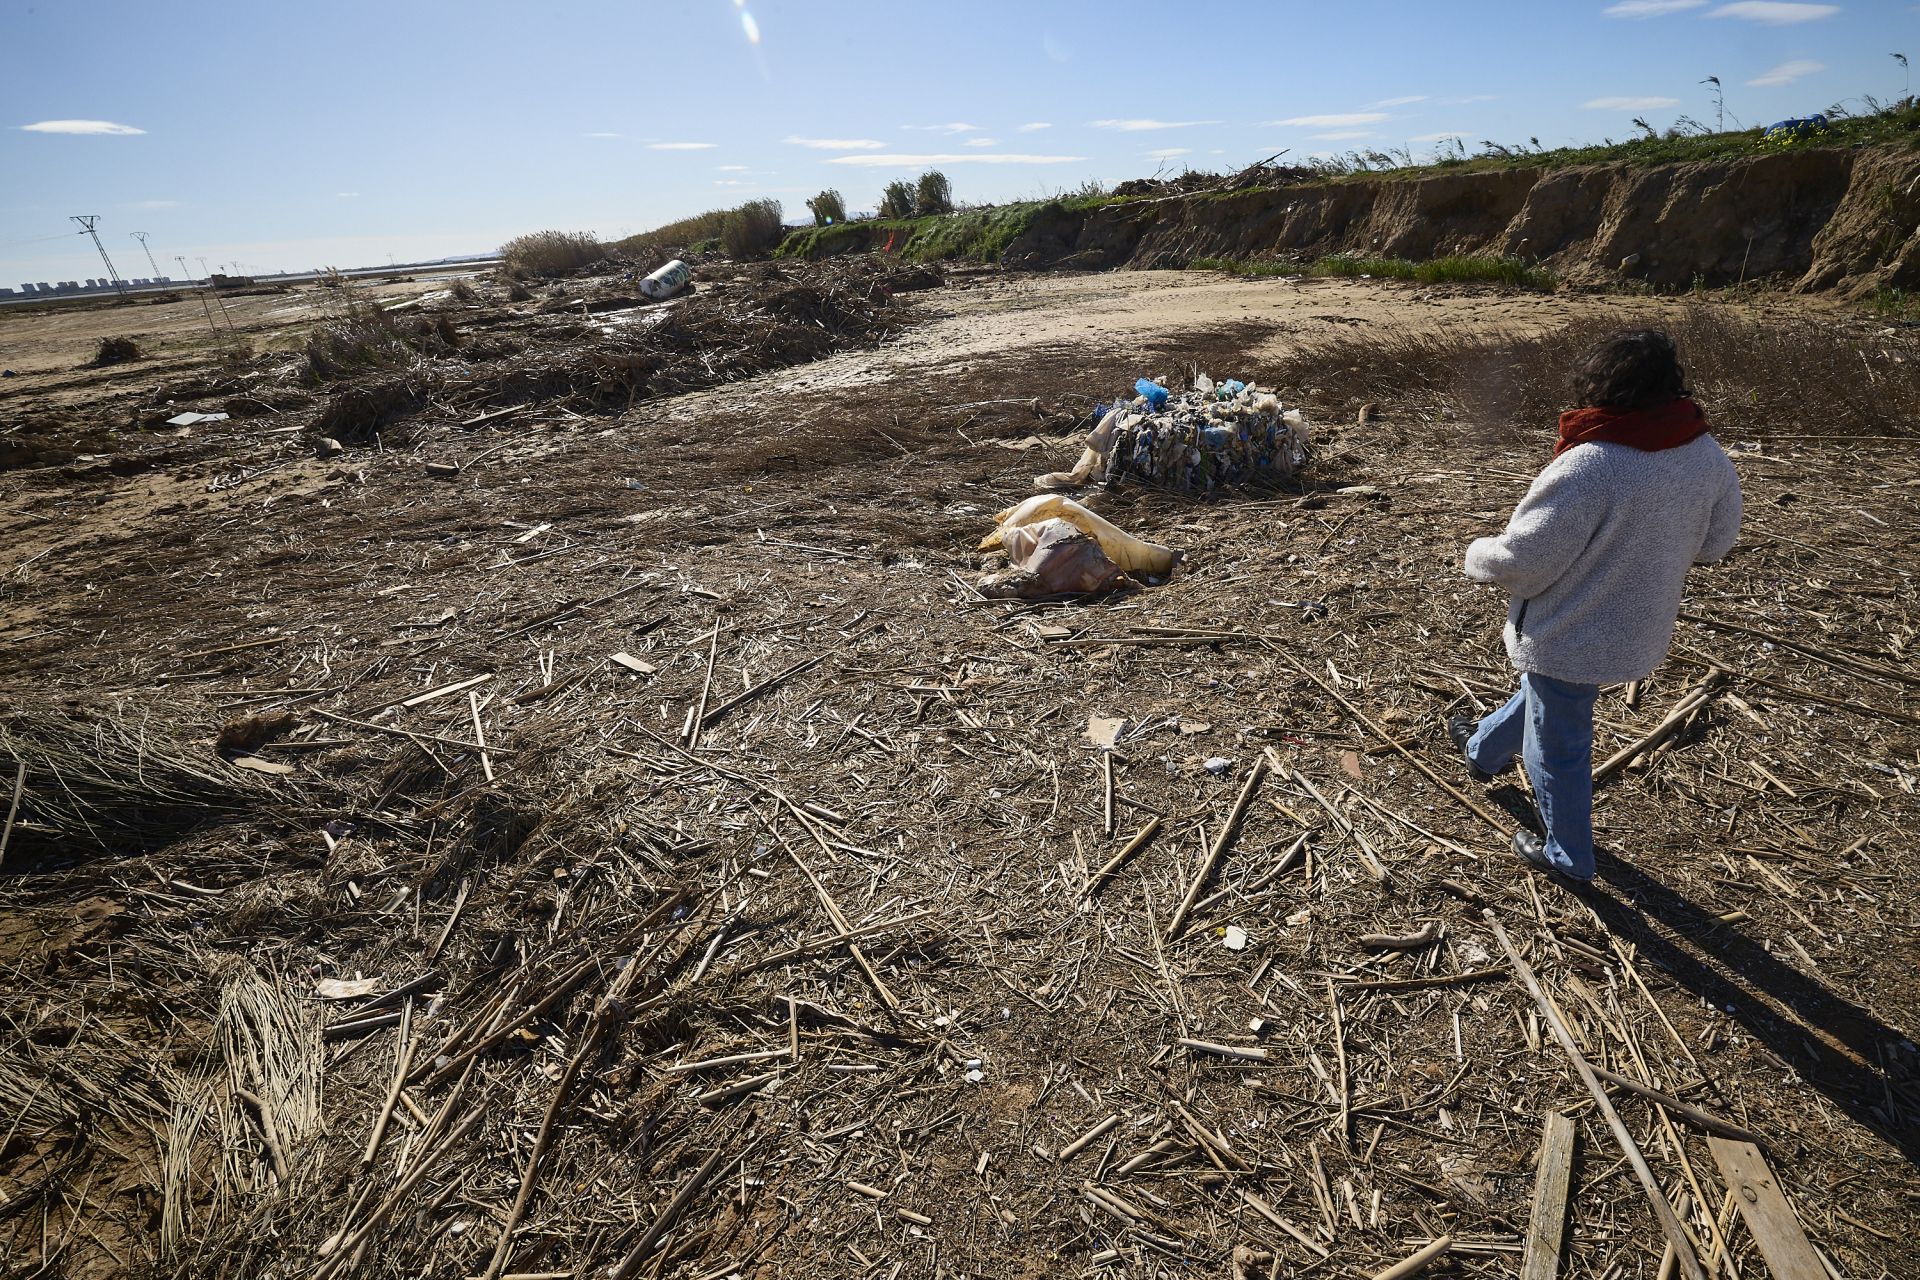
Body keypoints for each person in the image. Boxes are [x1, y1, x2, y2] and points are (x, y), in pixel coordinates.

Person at [1449, 329, 1743, 882]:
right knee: (1551, 692)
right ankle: (1483, 752)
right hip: (1641, 626)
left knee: (1559, 743)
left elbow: (1524, 560)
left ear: (1601, 387)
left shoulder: (1591, 463)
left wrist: (1476, 554)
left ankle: (1568, 854)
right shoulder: (1704, 453)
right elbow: (1715, 543)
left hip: (1572, 630)